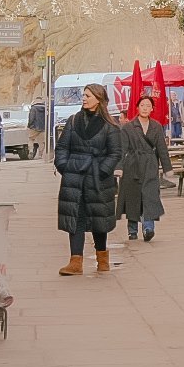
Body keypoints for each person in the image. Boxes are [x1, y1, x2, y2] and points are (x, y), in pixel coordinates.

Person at [54, 84, 120, 275]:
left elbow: (115, 153)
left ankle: (102, 259)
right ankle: (75, 262)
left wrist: (102, 171)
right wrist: (65, 167)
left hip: (98, 179)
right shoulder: (73, 121)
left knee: (99, 219)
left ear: (98, 99)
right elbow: (62, 147)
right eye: (83, 95)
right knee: (75, 217)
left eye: (88, 96)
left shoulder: (110, 126)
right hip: (74, 177)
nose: (84, 99)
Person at [117, 94, 172, 243]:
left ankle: (148, 228)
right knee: (133, 197)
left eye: (148, 106)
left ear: (152, 109)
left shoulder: (156, 126)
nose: (145, 108)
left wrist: (167, 168)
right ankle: (132, 230)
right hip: (132, 165)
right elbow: (122, 149)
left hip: (150, 164)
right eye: (142, 105)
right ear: (137, 108)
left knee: (150, 196)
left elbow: (162, 148)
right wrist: (119, 167)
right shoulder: (128, 127)